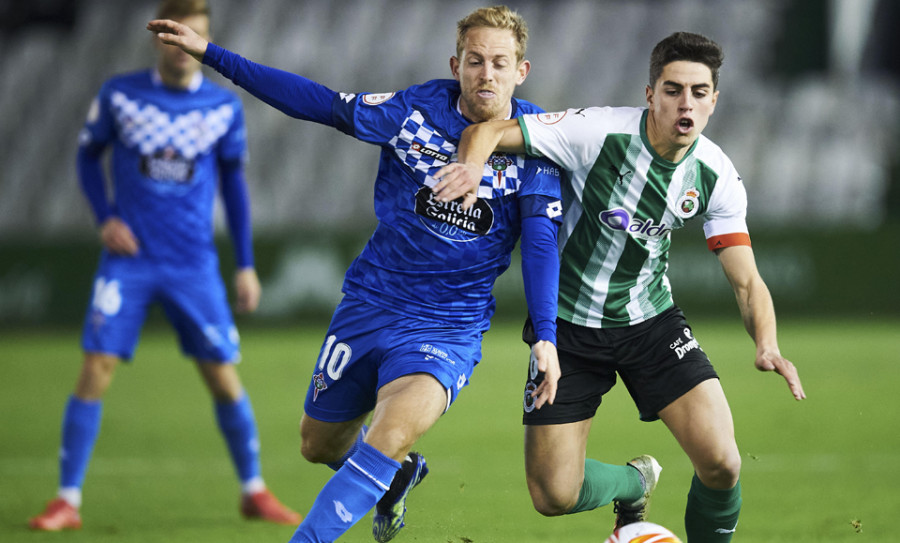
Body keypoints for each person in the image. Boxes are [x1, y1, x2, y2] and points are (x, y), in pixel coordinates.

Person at [149, 5, 572, 543]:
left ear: (522, 70)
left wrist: (546, 338)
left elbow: (539, 243)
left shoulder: (538, 144)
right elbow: (319, 104)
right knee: (318, 445)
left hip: (446, 326)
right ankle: (394, 484)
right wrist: (213, 55)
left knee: (390, 432)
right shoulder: (412, 111)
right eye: (475, 61)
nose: (486, 73)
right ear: (456, 64)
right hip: (371, 303)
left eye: (499, 63)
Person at [434, 31, 806, 542]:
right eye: (673, 89)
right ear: (650, 94)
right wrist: (471, 171)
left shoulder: (715, 175)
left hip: (651, 323)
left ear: (714, 101)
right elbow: (487, 131)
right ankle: (634, 482)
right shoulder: (597, 132)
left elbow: (746, 282)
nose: (686, 103)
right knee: (552, 496)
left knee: (722, 461)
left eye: (699, 92)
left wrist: (767, 344)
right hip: (566, 330)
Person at [28, 0, 302, 532]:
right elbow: (87, 156)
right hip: (127, 261)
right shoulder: (121, 95)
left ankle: (253, 490)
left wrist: (245, 265)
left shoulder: (223, 109)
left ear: (204, 40)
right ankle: (67, 499)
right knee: (96, 367)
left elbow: (234, 189)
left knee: (222, 377)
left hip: (193, 265)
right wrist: (105, 216)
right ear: (158, 39)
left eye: (194, 37)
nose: (183, 48)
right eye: (176, 37)